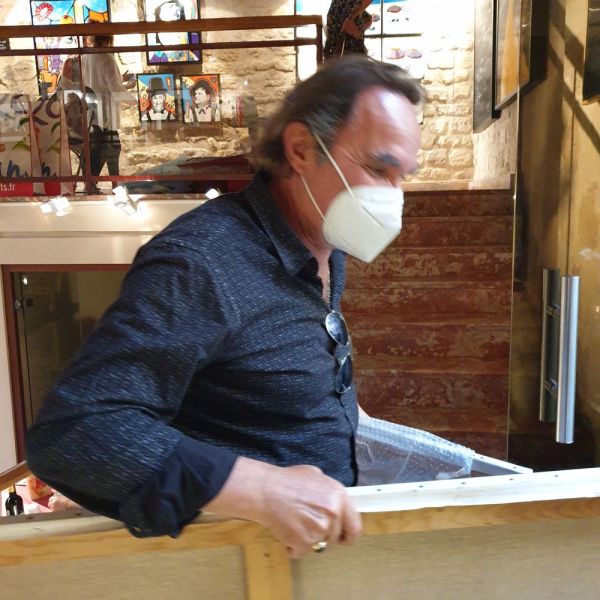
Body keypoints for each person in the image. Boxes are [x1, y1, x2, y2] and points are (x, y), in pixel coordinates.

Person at [26, 55, 422, 559]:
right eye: (378, 169)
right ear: (302, 149)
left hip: (306, 558)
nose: (394, 197)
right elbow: (74, 432)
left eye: (403, 175)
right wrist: (261, 489)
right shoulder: (202, 262)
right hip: (237, 569)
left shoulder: (326, 242)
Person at [81, 34, 136, 190]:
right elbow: (115, 88)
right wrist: (135, 101)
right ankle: (111, 187)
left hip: (93, 112)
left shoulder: (86, 57)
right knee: (111, 149)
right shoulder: (107, 58)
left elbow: (96, 81)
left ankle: (97, 185)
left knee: (99, 151)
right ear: (107, 41)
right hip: (106, 112)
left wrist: (121, 79)